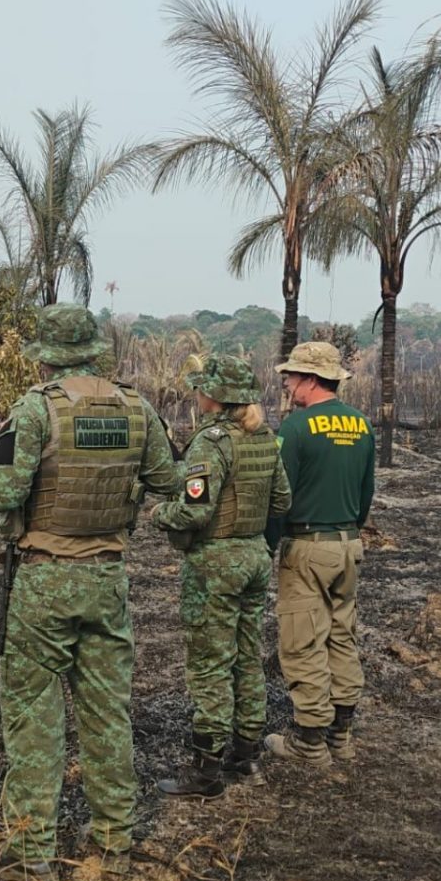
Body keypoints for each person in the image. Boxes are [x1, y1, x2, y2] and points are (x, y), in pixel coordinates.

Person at [0, 303, 180, 881]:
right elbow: (170, 482)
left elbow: (3, 488)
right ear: (93, 350)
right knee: (107, 714)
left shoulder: (36, 410)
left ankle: (35, 852)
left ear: (45, 355)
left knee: (35, 718)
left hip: (44, 577)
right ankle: (116, 839)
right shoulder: (137, 409)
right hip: (107, 577)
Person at [151, 355, 291, 797]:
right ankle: (245, 754)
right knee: (248, 655)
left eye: (201, 388)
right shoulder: (265, 438)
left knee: (211, 663)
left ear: (213, 396)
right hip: (254, 556)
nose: (197, 393)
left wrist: (160, 513)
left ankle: (206, 768)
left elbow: (196, 509)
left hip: (215, 563)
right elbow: (282, 500)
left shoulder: (210, 442)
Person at [263, 341, 376, 767]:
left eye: (291, 377)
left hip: (307, 547)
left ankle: (309, 741)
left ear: (311, 379)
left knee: (303, 641)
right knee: (341, 636)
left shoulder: (295, 429)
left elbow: (279, 499)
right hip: (348, 544)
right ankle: (341, 735)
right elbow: (367, 492)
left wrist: (269, 545)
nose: (288, 384)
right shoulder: (362, 425)